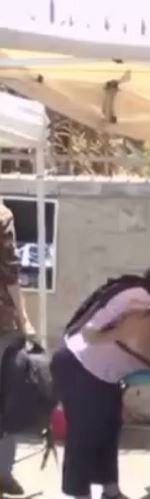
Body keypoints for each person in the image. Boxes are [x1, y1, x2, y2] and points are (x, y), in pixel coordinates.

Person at [51, 259, 150, 499]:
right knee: (84, 434)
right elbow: (92, 332)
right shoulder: (136, 297)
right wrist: (120, 333)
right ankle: (78, 493)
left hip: (106, 375)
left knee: (109, 429)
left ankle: (110, 491)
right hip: (78, 365)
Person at [0, 200, 34, 496]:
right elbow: (10, 271)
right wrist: (24, 319)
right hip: (2, 323)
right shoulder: (1, 215)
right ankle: (2, 472)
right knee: (7, 398)